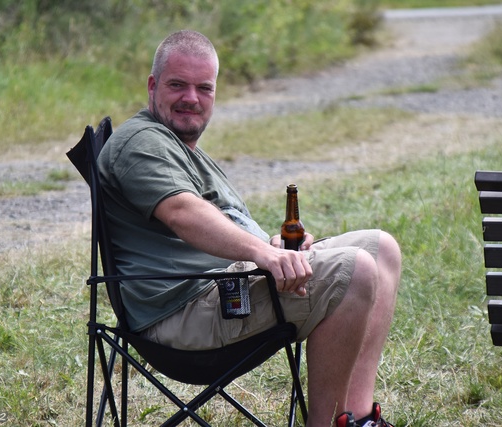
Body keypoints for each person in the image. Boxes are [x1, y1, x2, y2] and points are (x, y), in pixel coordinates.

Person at [97, 29, 401, 427]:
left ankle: (356, 420)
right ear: (153, 86)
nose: (192, 97)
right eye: (177, 85)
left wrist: (271, 243)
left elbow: (221, 218)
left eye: (204, 88)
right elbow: (182, 213)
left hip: (217, 285)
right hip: (183, 313)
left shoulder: (177, 145)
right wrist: (265, 254)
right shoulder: (141, 143)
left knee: (381, 248)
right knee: (356, 269)